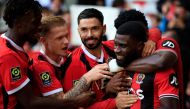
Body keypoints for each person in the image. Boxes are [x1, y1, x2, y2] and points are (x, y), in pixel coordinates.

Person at [0, 0, 96, 108]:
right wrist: (85, 84)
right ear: (19, 24)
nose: (39, 27)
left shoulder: (13, 48)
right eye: (34, 22)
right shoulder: (8, 56)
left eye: (66, 36)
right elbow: (30, 102)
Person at [107, 9, 184, 109]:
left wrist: (120, 64)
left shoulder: (164, 44)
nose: (117, 49)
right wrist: (108, 88)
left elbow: (161, 62)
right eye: (116, 44)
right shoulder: (120, 46)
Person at [30, 16, 113, 100]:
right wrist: (87, 78)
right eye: (59, 38)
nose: (66, 41)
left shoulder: (69, 56)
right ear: (44, 41)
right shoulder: (39, 65)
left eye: (67, 36)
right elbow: (59, 102)